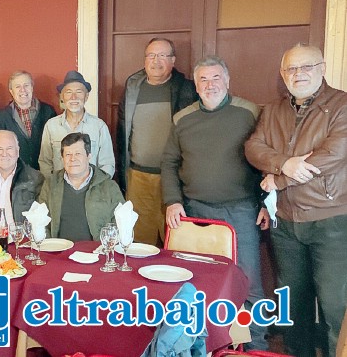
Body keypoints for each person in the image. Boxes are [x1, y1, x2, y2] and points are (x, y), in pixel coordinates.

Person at [161, 55, 269, 350]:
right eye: (203, 80)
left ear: (228, 80)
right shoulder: (183, 119)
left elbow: (265, 157)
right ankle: (201, 345)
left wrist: (265, 203)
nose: (210, 85)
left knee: (248, 284)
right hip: (194, 213)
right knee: (196, 283)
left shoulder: (249, 112)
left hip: (241, 210)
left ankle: (255, 346)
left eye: (216, 77)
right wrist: (172, 201)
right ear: (195, 86)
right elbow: (169, 163)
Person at [245, 44, 347, 356]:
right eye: (291, 68)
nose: (298, 74)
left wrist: (278, 178)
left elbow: (334, 154)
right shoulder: (274, 109)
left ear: (322, 68)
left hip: (330, 220)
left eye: (306, 67)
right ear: (282, 74)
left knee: (335, 305)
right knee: (292, 304)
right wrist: (284, 164)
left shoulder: (342, 104)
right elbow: (253, 147)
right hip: (286, 222)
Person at [117, 38, 197, 246]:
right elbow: (123, 130)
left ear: (173, 60)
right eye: (151, 55)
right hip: (138, 178)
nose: (156, 61)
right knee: (138, 244)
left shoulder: (187, 89)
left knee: (174, 241)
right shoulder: (133, 87)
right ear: (145, 60)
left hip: (173, 179)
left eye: (163, 55)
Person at [39, 133, 124, 241]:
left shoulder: (109, 187)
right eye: (68, 154)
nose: (72, 159)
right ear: (62, 158)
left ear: (89, 156)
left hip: (97, 254)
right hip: (59, 253)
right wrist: (50, 247)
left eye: (78, 153)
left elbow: (121, 223)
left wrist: (105, 248)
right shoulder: (50, 185)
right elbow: (40, 221)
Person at [40, 71, 115, 178]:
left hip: (91, 190)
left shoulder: (99, 127)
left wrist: (98, 187)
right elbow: (45, 162)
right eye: (69, 92)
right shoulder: (51, 126)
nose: (73, 97)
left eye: (79, 92)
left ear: (86, 96)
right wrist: (53, 186)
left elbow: (107, 164)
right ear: (62, 97)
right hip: (59, 190)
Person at [0, 70, 56, 170]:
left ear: (32, 87)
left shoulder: (48, 112)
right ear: (11, 91)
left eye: (26, 85)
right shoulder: (2, 116)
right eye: (17, 86)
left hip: (45, 174)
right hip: (16, 176)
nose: (23, 90)